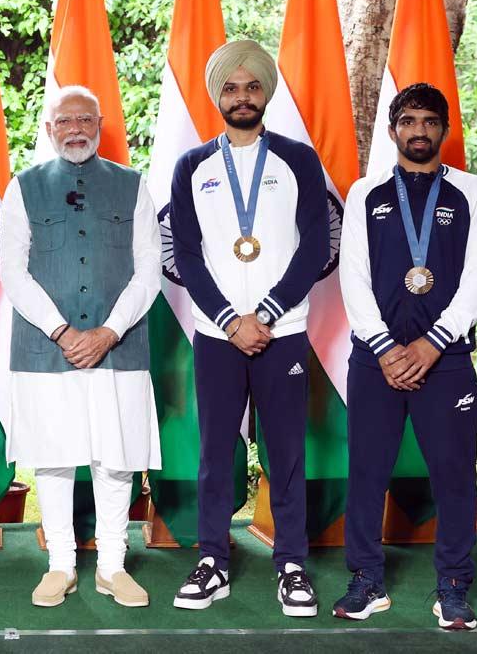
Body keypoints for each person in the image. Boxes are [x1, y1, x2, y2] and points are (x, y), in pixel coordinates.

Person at [169, 39, 329, 616]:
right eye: (231, 88)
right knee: (215, 450)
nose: (242, 97)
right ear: (218, 96)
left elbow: (315, 246)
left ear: (266, 93)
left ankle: (291, 564)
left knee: (285, 448)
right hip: (217, 336)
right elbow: (186, 253)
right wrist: (229, 320)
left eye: (252, 87)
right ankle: (213, 559)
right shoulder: (192, 166)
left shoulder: (298, 160)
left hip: (281, 330)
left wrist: (262, 315)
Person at [334, 83, 477, 629]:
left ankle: (452, 583)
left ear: (445, 130)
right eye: (408, 121)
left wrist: (431, 343)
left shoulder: (473, 192)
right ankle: (366, 579)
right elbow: (352, 276)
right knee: (366, 473)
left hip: (445, 359)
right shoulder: (366, 193)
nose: (419, 130)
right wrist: (384, 346)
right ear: (393, 130)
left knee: (453, 474)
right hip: (375, 360)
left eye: (430, 121)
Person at [0, 85, 160, 609]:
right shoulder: (22, 187)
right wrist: (62, 332)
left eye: (85, 120)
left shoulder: (134, 186)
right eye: (64, 120)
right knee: (53, 455)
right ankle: (61, 564)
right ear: (49, 129)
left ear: (100, 124)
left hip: (120, 346)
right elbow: (13, 273)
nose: (75, 129)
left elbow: (149, 272)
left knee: (116, 457)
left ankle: (112, 565)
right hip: (47, 350)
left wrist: (109, 331)